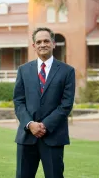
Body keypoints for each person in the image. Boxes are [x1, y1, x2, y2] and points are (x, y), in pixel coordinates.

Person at [13, 27, 76, 178]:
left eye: (46, 41)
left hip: (53, 137)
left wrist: (44, 126)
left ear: (54, 44)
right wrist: (30, 124)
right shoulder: (23, 70)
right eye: (38, 42)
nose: (43, 44)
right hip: (27, 137)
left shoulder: (67, 71)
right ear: (33, 46)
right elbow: (18, 101)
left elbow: (66, 105)